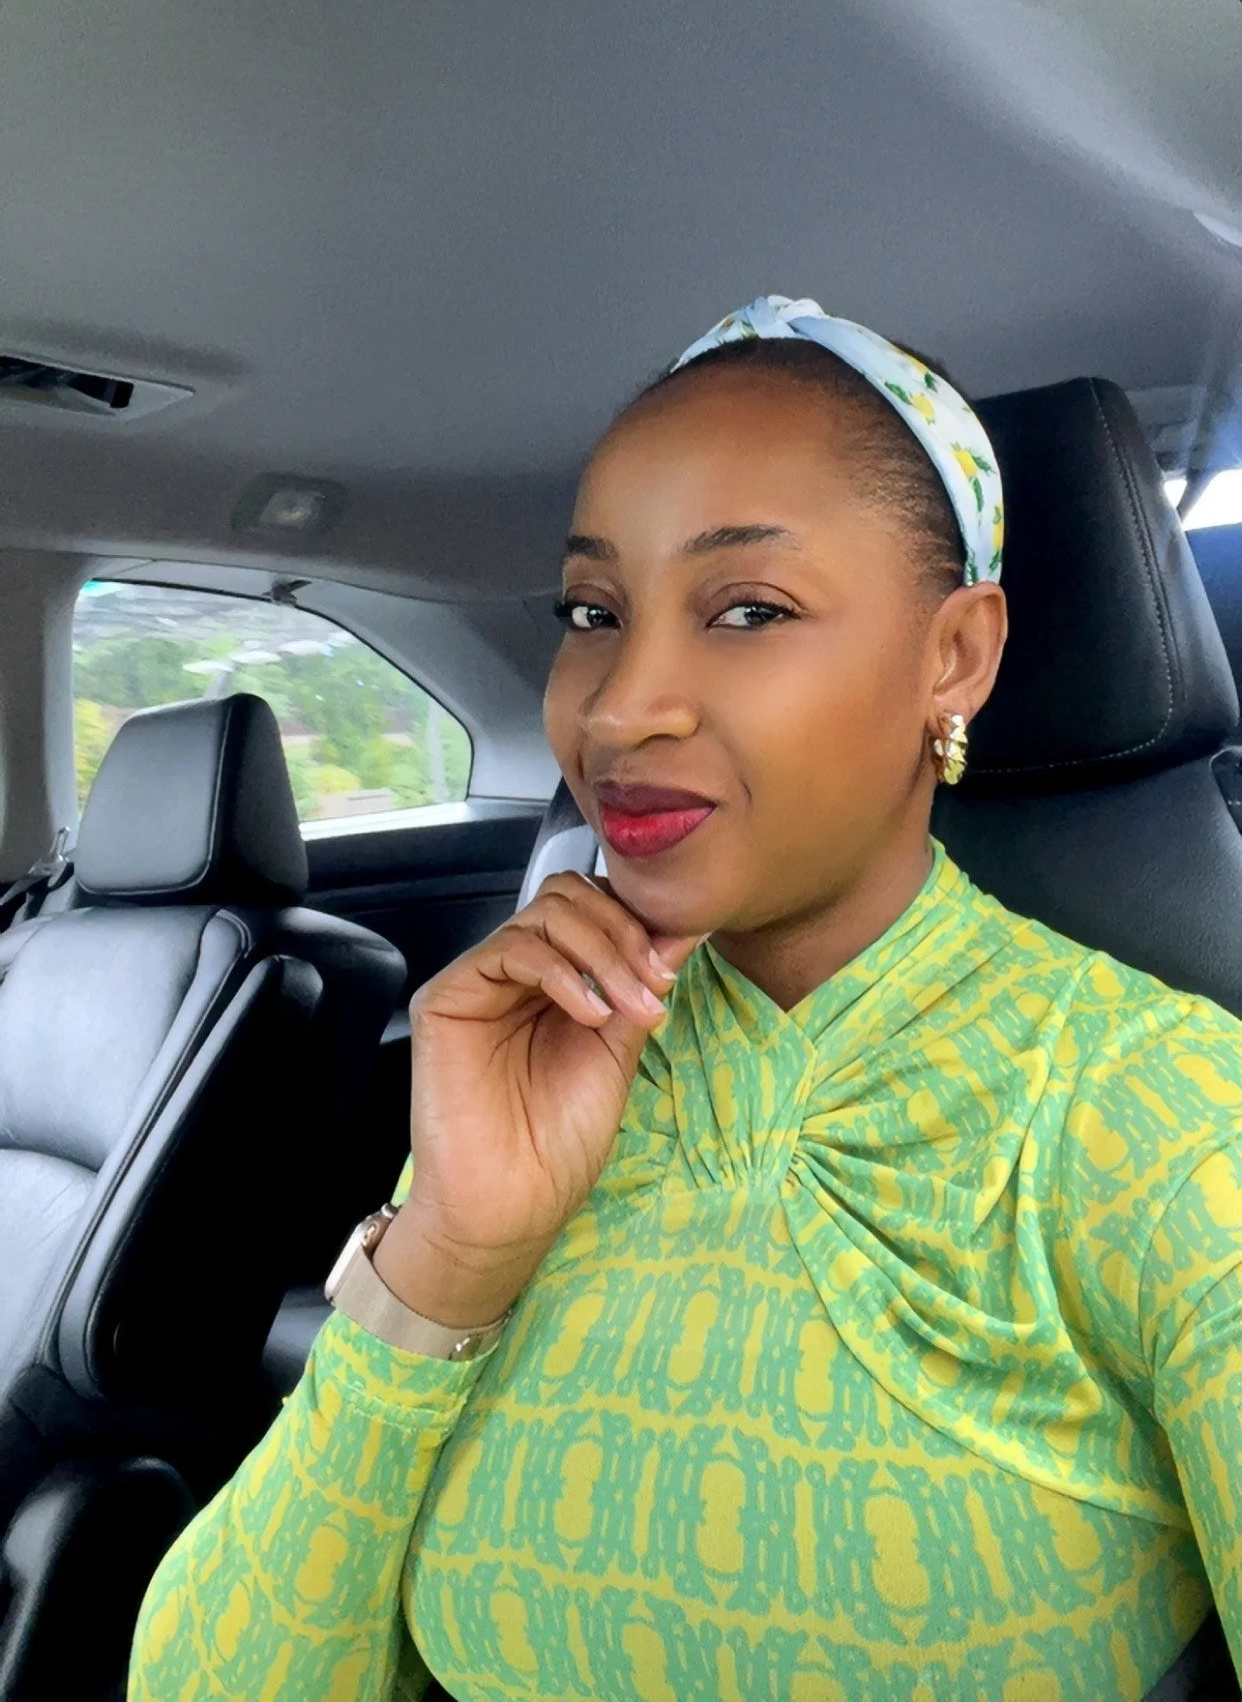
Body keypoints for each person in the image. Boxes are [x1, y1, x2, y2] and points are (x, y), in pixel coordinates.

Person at [129, 295, 1242, 1702]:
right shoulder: (533, 1076)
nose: (617, 706)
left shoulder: (1168, 1124)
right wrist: (453, 1249)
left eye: (748, 609)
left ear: (952, 655)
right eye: (593, 613)